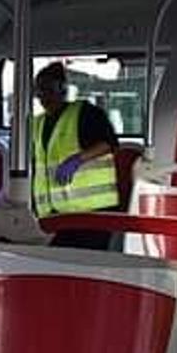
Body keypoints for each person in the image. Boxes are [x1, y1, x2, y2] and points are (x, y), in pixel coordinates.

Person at [31, 62, 119, 250]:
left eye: (48, 89)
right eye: (39, 91)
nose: (42, 96)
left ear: (62, 89)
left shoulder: (85, 113)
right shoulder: (38, 123)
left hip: (93, 212)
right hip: (57, 214)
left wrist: (77, 159)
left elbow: (108, 143)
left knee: (85, 265)